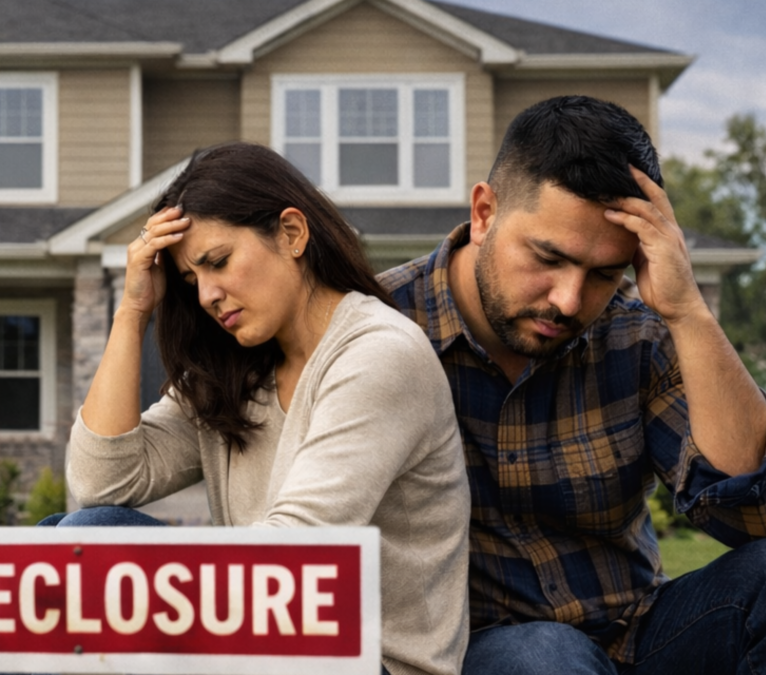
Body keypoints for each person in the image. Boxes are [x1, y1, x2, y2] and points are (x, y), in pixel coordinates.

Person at [379, 95, 766, 675]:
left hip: (641, 635)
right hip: (488, 655)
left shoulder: (638, 333)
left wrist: (688, 314)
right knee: (544, 656)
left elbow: (760, 520)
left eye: (605, 273)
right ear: (484, 213)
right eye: (547, 257)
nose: (569, 300)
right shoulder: (379, 332)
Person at [63, 142, 471, 675]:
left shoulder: (379, 355)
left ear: (292, 233)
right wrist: (132, 310)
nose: (208, 295)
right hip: (263, 642)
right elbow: (102, 483)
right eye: (192, 281)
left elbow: (292, 558)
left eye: (219, 262)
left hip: (364, 662)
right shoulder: (240, 369)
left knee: (90, 551)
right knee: (83, 536)